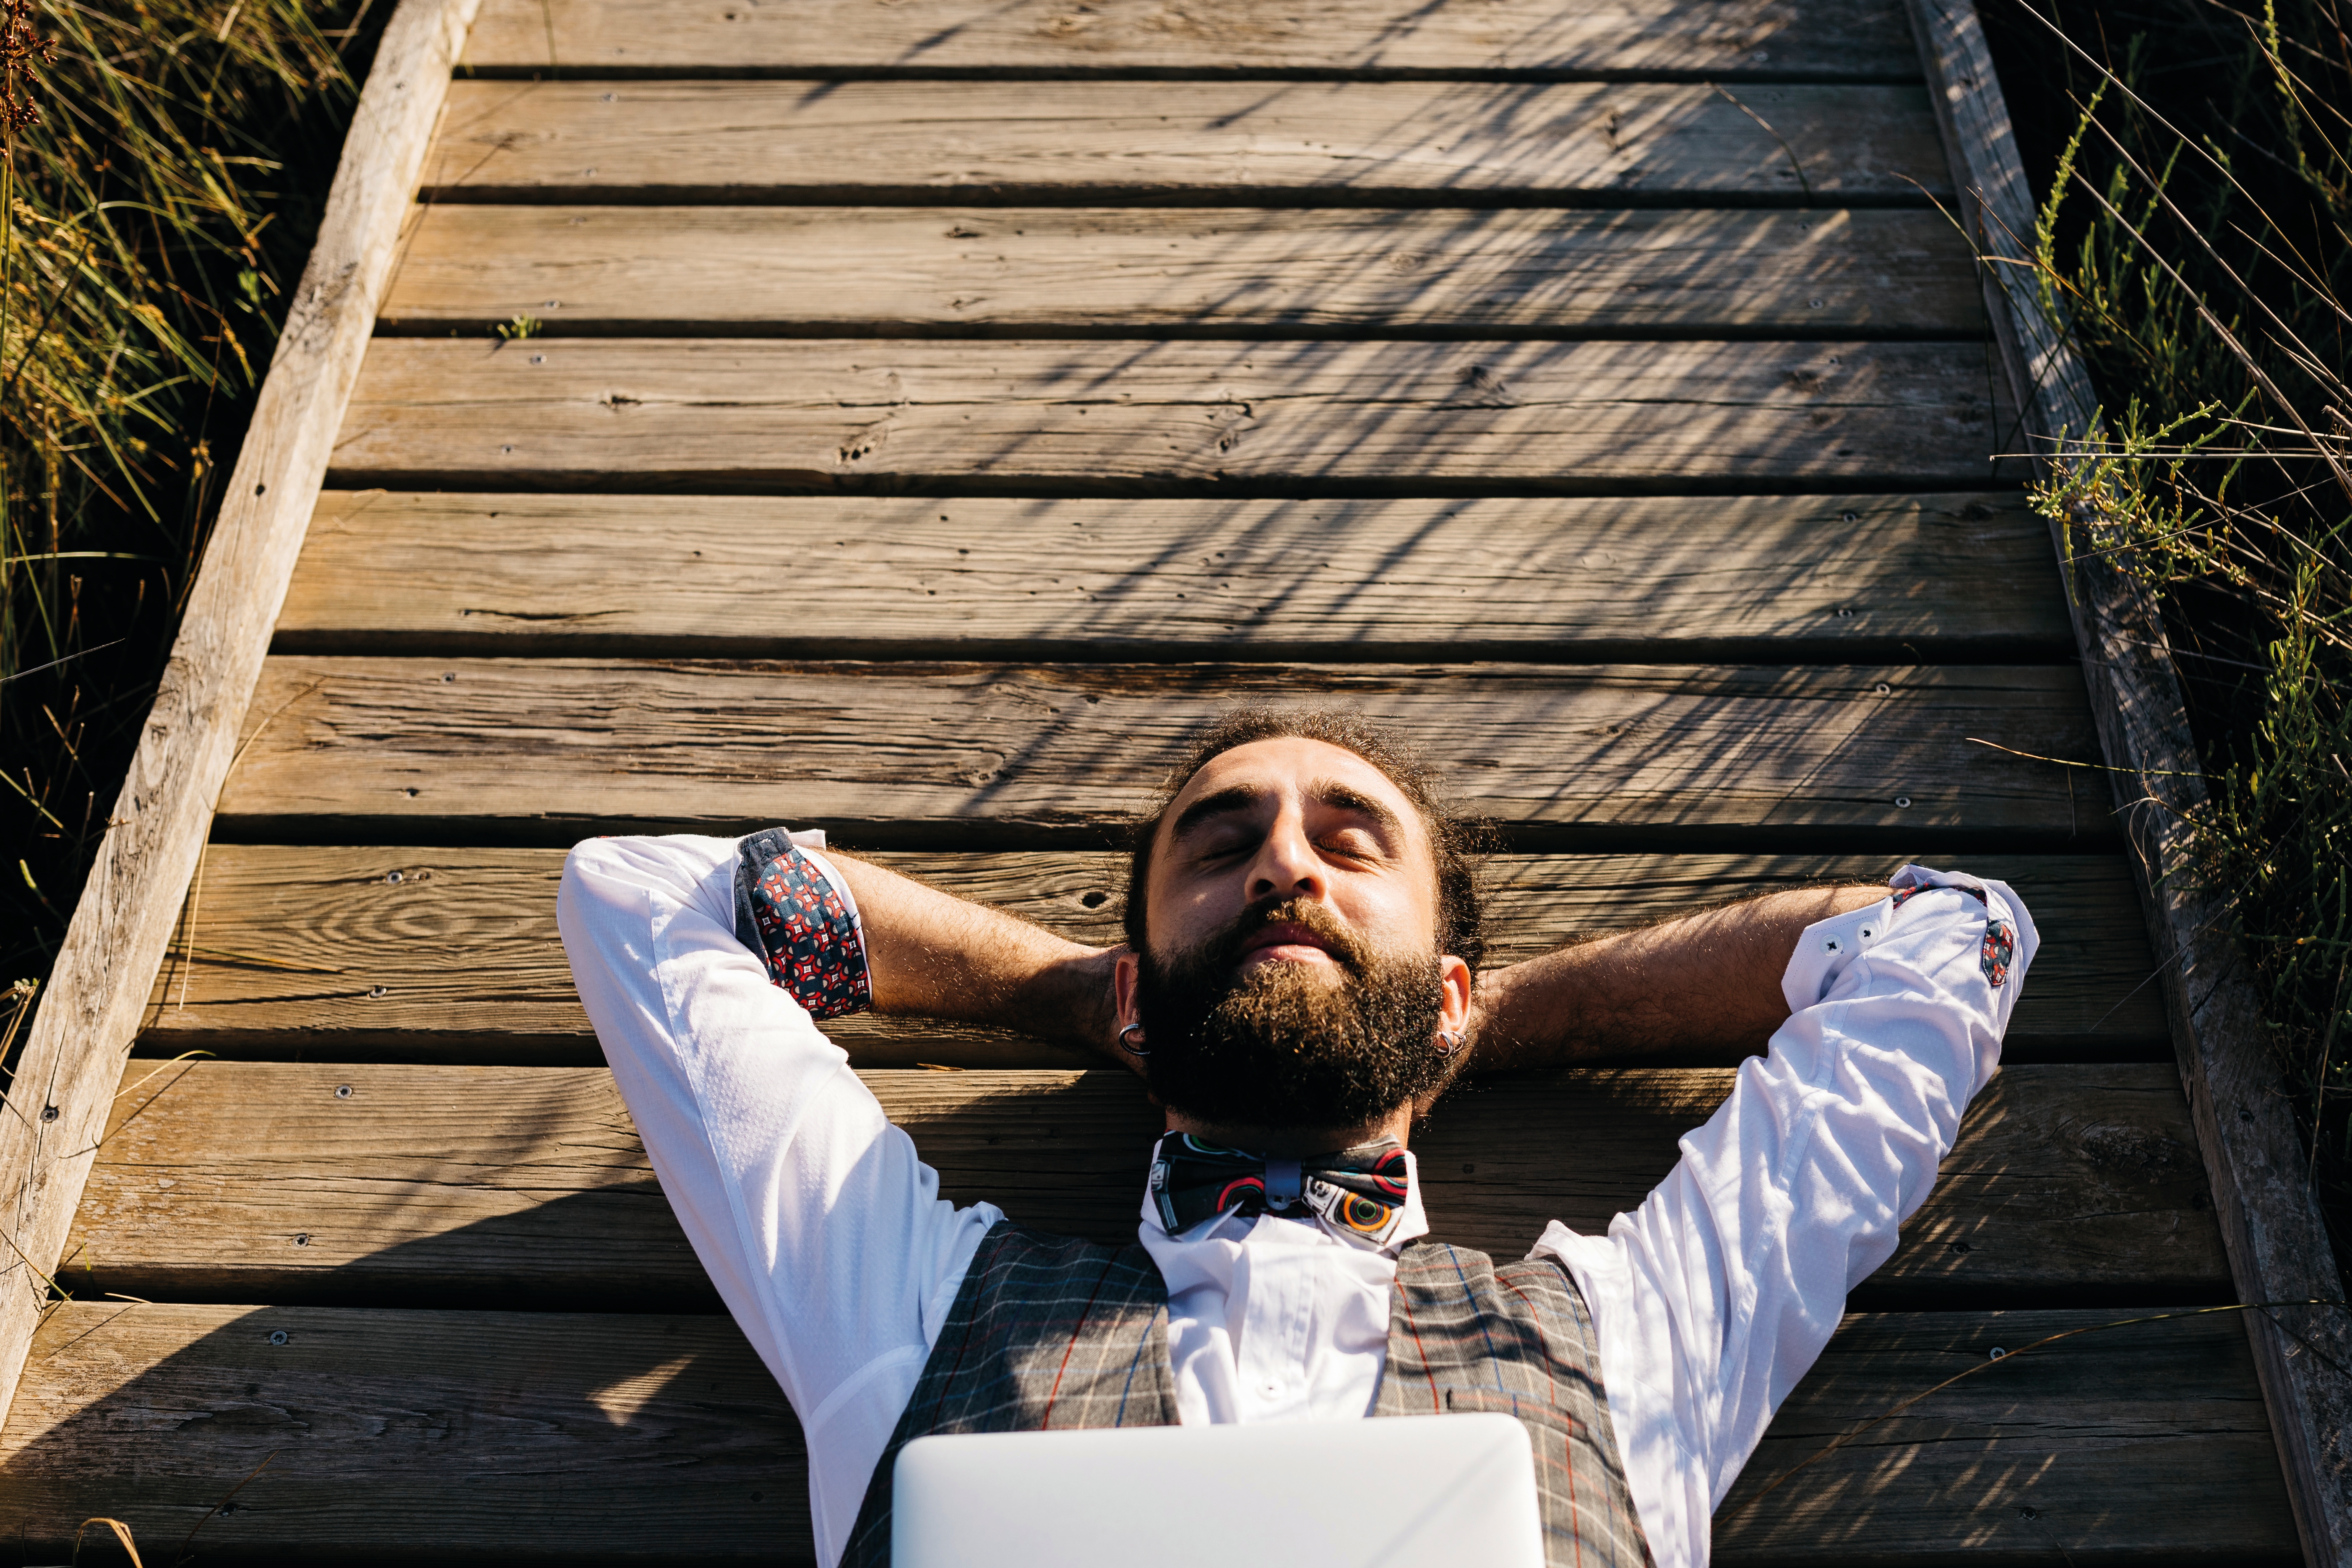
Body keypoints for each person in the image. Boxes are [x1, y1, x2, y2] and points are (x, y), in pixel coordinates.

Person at [557, 706, 2037, 1568]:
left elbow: (1940, 944)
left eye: (1347, 841)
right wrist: (1079, 994)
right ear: (1136, 989)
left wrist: (1473, 1016)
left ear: (1451, 996)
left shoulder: (1636, 1337)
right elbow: (646, 895)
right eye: (1222, 846)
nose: (1281, 862)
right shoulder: (910, 1304)